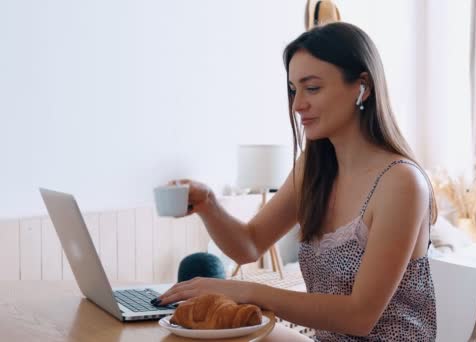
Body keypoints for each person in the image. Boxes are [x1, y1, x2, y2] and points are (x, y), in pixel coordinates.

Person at [153, 22, 438, 341]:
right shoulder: (315, 168)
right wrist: (208, 204)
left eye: (312, 88)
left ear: (363, 86)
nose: (297, 104)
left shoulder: (401, 183)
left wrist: (245, 290)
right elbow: (249, 245)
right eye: (293, 89)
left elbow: (360, 317)